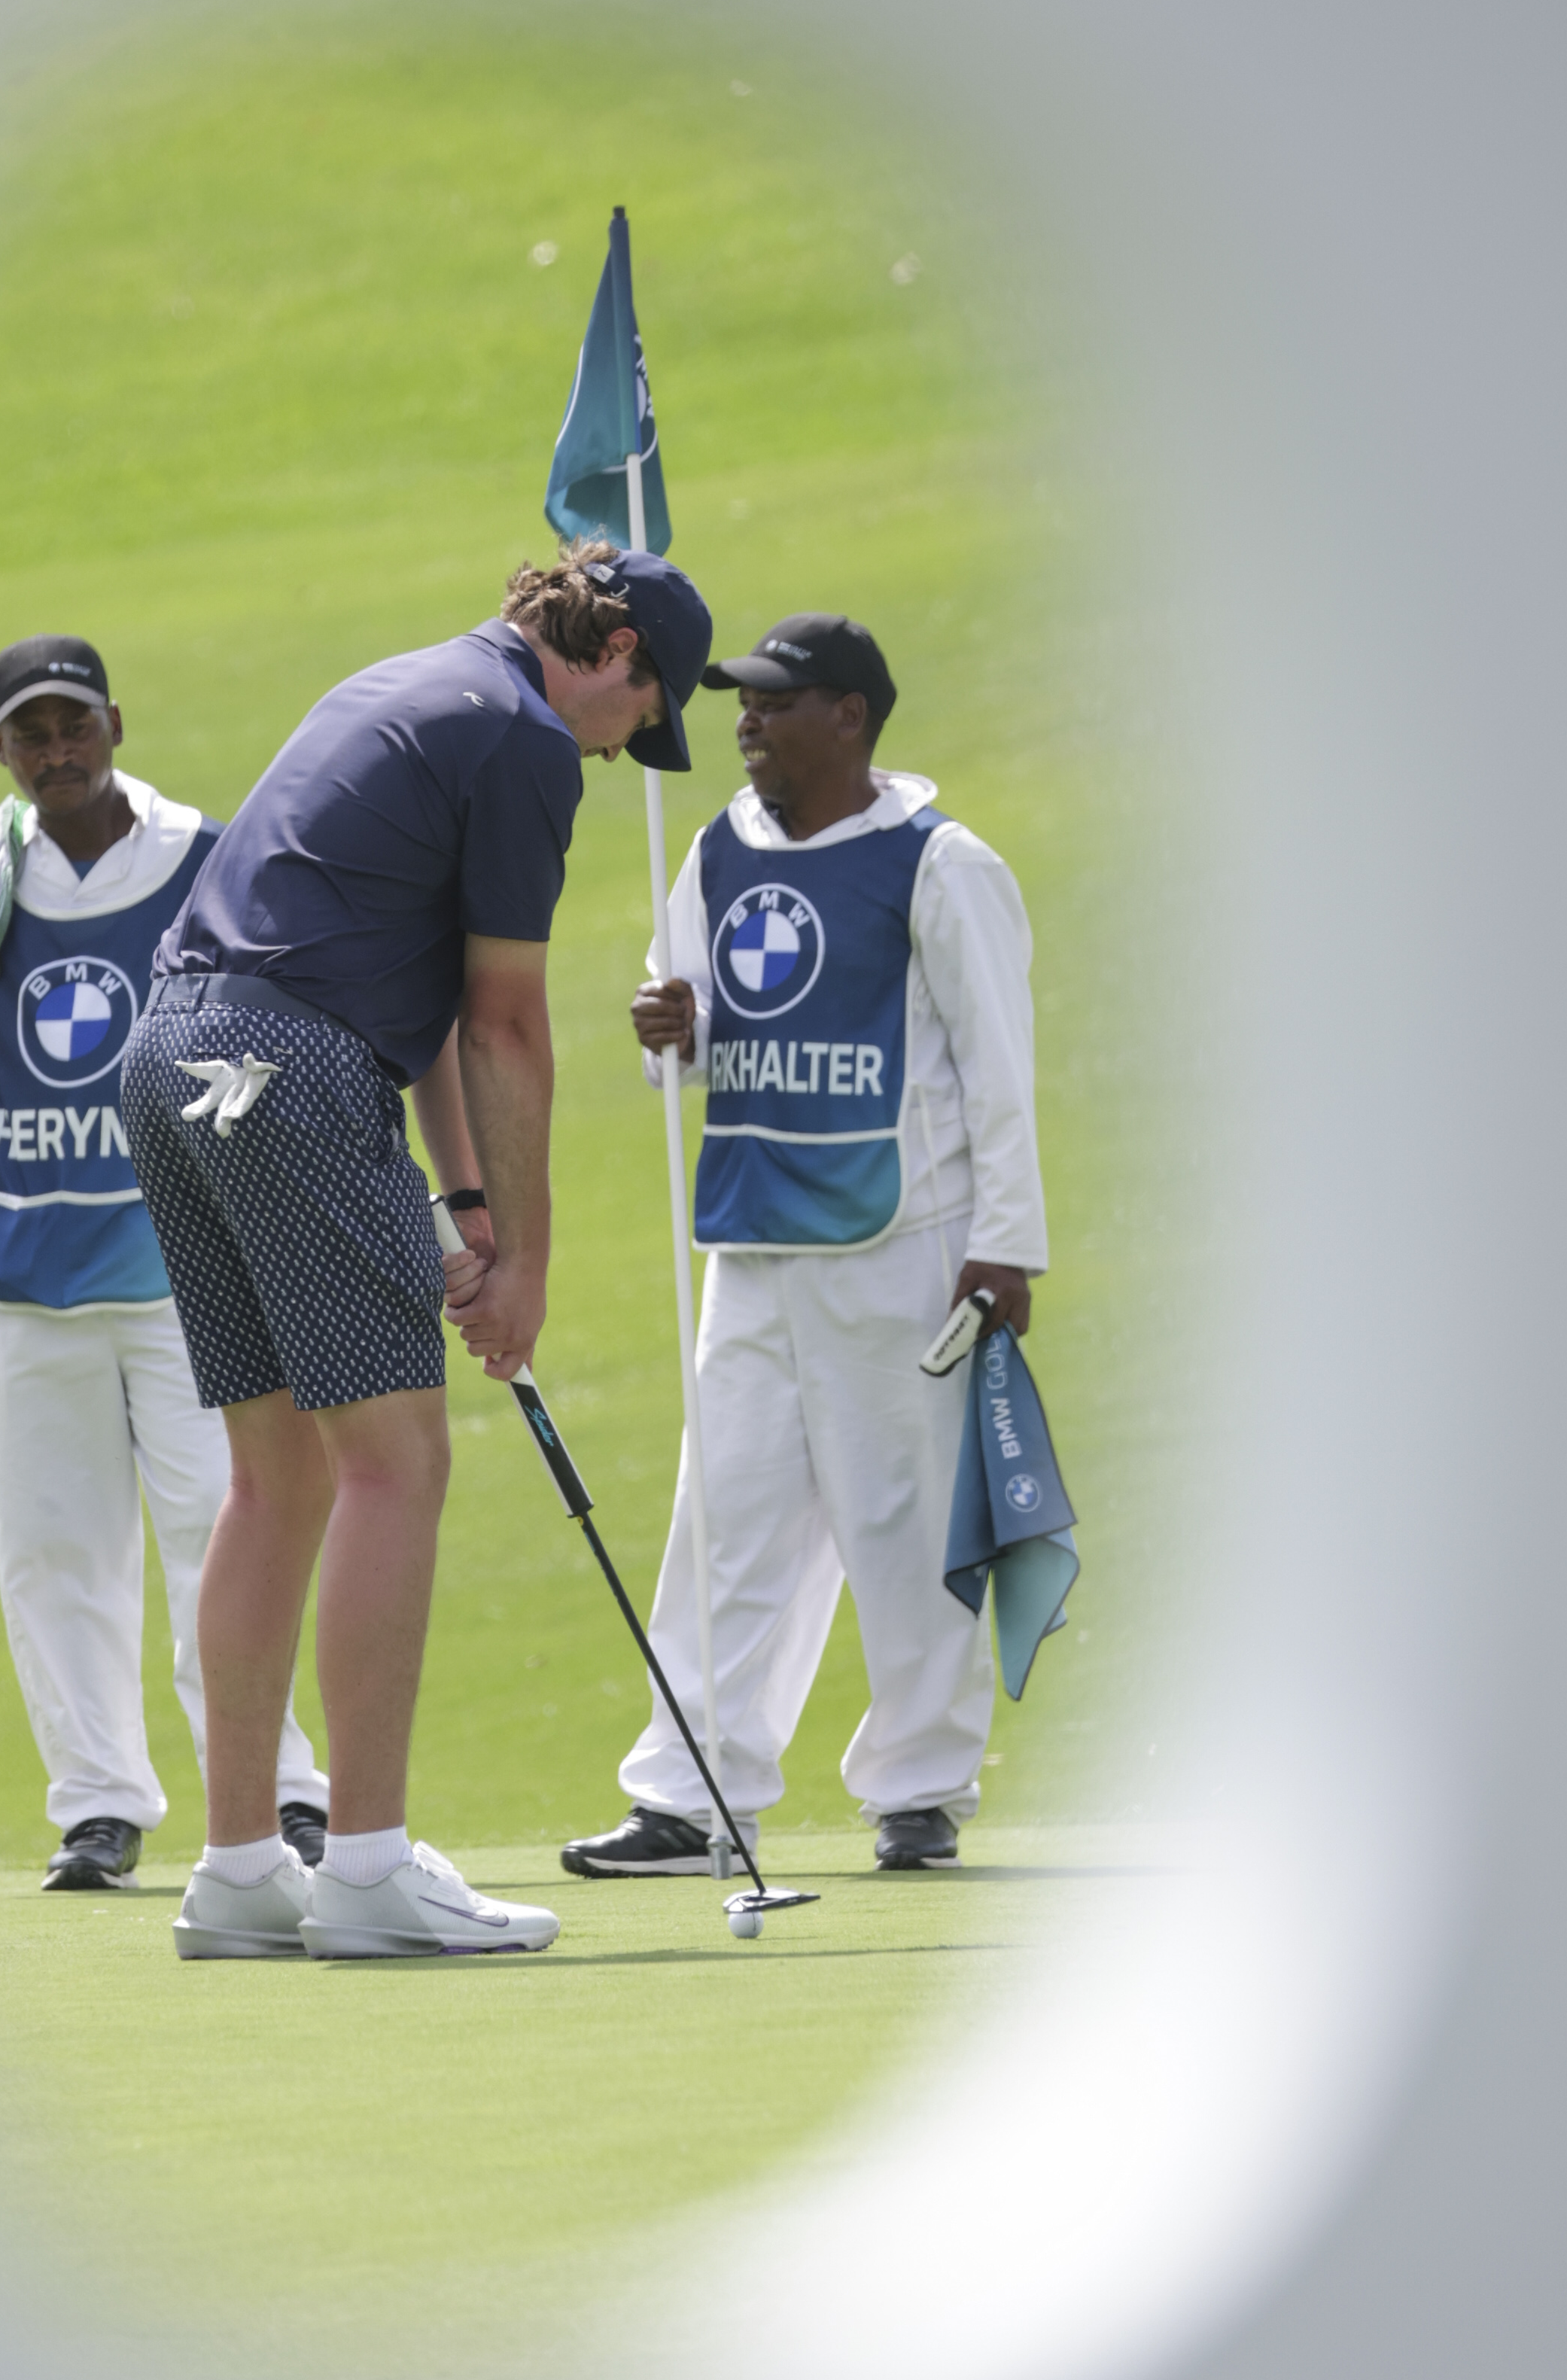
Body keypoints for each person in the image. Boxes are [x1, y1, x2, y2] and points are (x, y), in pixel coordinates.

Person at [122, 549, 713, 1962]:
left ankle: (240, 1869)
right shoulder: (523, 739)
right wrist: (531, 1273)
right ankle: (369, 1867)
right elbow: (507, 1020)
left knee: (277, 1476)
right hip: (289, 1071)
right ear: (614, 651)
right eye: (642, 715)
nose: (622, 747)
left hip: (171, 1061)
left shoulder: (404, 686)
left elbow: (435, 1005)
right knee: (397, 1463)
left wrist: (469, 1208)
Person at [0, 638, 327, 1894]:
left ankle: (282, 1794)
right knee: (52, 1551)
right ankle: (99, 1807)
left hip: (186, 1271)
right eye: (31, 734)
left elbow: (287, 999)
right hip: (23, 1272)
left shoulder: (202, 859)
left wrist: (226, 1110)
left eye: (74, 725)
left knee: (223, 1528)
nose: (57, 751)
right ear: (2, 751)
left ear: (115, 726)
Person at [560, 613, 1046, 1882]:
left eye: (775, 703)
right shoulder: (715, 850)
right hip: (751, 1233)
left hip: (906, 1240)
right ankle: (692, 1796)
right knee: (724, 1516)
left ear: (851, 717)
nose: (746, 723)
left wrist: (1006, 1246)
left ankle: (921, 1790)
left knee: (902, 1524)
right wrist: (671, 1028)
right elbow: (690, 1028)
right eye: (743, 702)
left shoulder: (942, 864)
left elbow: (999, 1069)